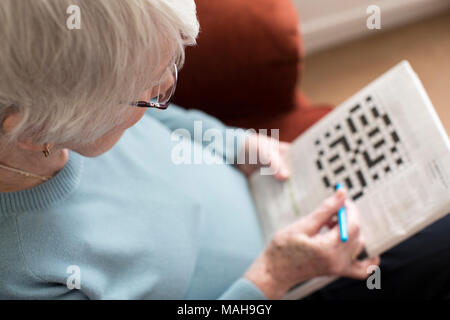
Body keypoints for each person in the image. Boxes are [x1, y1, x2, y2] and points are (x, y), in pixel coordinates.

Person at [0, 0, 446, 300]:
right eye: (144, 94)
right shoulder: (27, 273)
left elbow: (164, 123)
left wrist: (235, 143)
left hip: (275, 206)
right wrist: (272, 278)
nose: (162, 98)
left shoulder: (67, 119)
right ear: (29, 129)